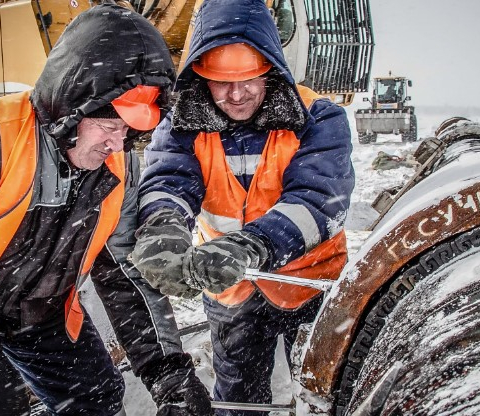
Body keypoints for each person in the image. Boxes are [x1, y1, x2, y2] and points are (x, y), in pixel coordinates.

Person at [131, 0, 355, 414]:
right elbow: (169, 180)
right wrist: (163, 226)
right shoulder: (183, 122)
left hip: (310, 285)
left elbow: (319, 200)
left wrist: (249, 245)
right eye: (221, 81)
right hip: (230, 290)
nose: (237, 94)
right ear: (199, 74)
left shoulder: (318, 117)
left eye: (249, 78)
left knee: (325, 395)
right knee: (237, 402)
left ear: (271, 68)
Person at [0, 4, 212, 416]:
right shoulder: (6, 138)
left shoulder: (115, 169)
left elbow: (125, 276)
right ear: (71, 106)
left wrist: (169, 375)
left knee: (95, 397)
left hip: (38, 312)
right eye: (110, 126)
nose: (118, 144)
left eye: (129, 133)